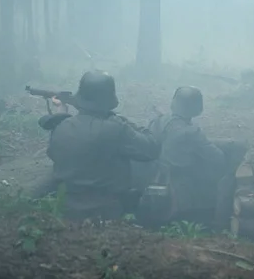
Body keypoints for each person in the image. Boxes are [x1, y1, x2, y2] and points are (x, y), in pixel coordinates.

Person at [36, 70, 161, 221]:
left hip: (66, 211)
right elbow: (151, 149)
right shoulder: (117, 128)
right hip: (107, 212)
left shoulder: (61, 126)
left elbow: (53, 153)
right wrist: (123, 121)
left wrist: (62, 112)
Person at [140, 86, 247, 227]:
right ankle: (218, 224)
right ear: (197, 108)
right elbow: (217, 158)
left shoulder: (157, 122)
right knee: (222, 178)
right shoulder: (191, 132)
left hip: (153, 175)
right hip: (177, 183)